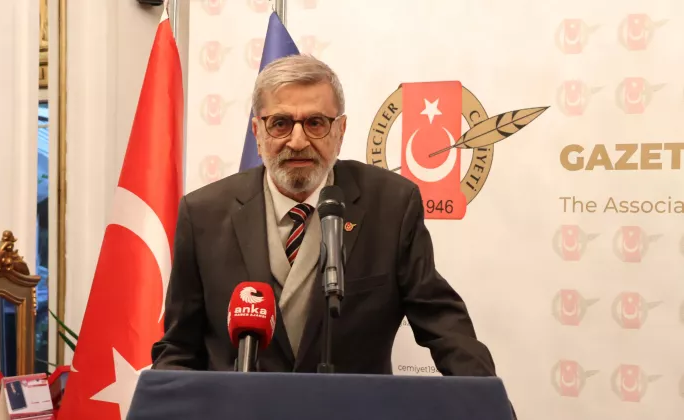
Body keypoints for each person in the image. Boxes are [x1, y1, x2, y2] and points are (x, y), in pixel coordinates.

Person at [151, 54, 501, 380]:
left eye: (315, 123)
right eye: (280, 124)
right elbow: (179, 347)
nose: (298, 141)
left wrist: (486, 401)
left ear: (340, 130)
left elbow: (442, 323)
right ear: (257, 132)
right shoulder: (203, 214)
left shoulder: (391, 205)